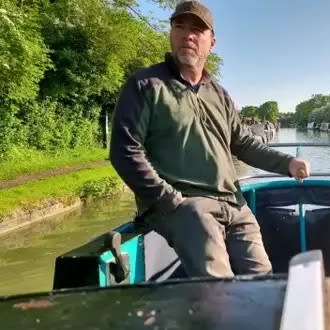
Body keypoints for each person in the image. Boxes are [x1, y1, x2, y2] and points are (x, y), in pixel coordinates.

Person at [109, 0, 310, 278]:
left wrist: (287, 163)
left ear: (211, 42)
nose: (188, 35)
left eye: (197, 30)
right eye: (180, 26)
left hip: (233, 204)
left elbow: (243, 143)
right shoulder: (146, 85)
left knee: (262, 280)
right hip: (185, 206)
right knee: (219, 287)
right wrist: (168, 199)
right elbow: (124, 150)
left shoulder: (220, 94)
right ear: (171, 34)